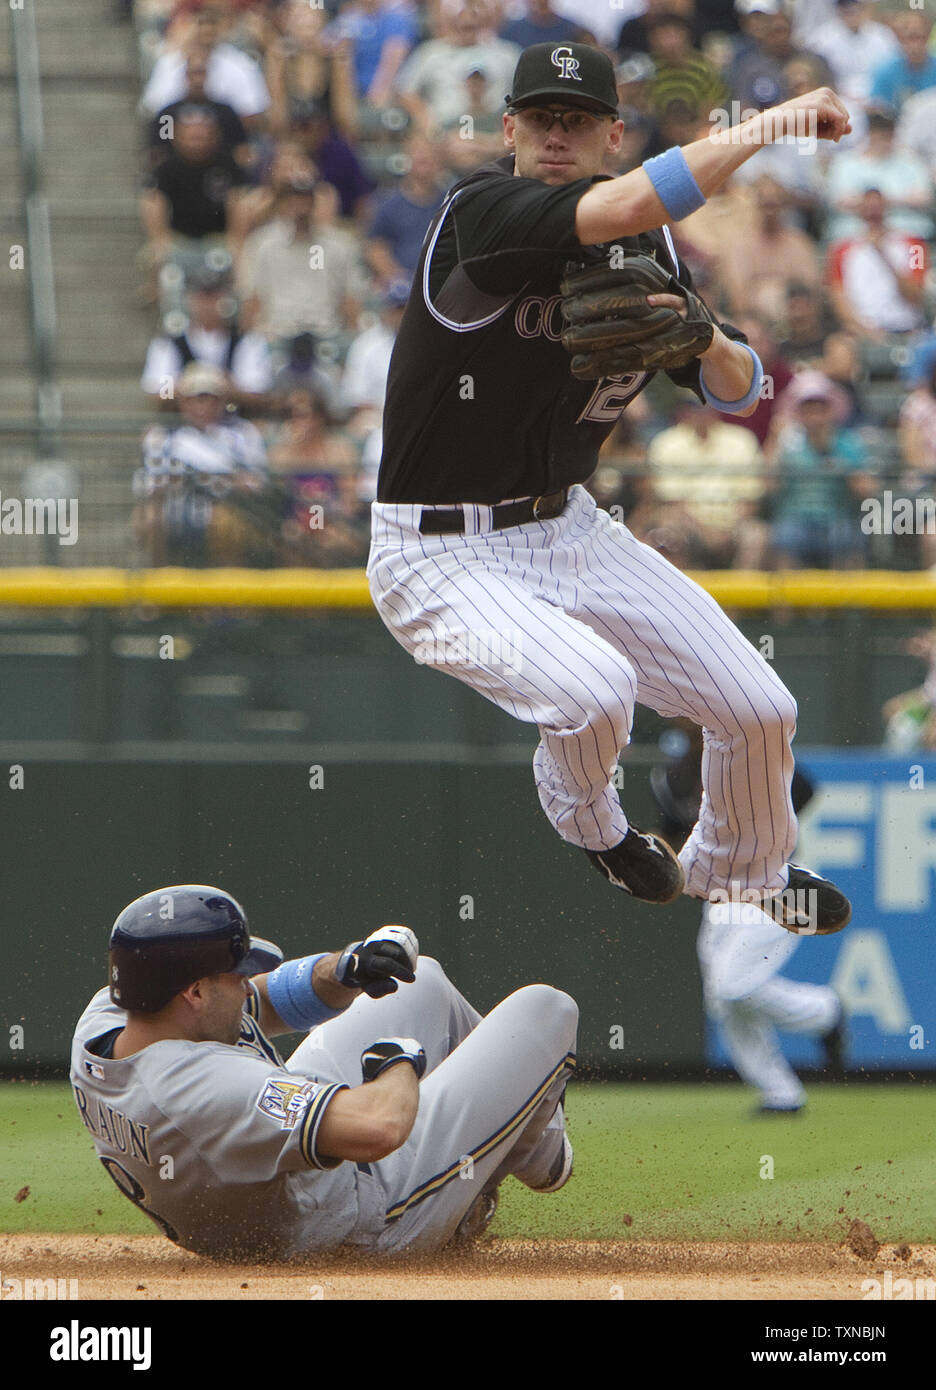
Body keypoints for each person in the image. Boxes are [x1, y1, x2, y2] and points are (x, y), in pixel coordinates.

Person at [367, 41, 854, 935]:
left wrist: (700, 335)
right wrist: (773, 122)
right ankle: (596, 830)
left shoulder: (647, 241)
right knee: (594, 691)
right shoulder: (485, 208)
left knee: (761, 709)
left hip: (571, 529)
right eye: (541, 118)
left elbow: (743, 385)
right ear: (510, 128)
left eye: (579, 119)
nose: (558, 133)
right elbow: (631, 196)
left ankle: (740, 871)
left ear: (611, 132)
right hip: (440, 551)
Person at [70, 885, 576, 1259]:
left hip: (259, 1184)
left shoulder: (114, 1019)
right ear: (195, 993)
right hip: (361, 1221)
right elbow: (380, 1127)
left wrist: (347, 968)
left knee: (424, 982)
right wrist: (397, 1061)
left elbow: (266, 999)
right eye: (237, 974)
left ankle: (533, 1149)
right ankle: (529, 1155)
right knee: (547, 1010)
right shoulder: (203, 1088)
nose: (249, 984)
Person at [650, 742, 846, 1114]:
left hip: (774, 883)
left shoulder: (748, 749)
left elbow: (804, 788)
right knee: (722, 1000)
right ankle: (781, 1094)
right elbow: (669, 830)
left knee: (734, 985)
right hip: (719, 893)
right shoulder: (672, 776)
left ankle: (824, 1012)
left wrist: (760, 827)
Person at [140, 266, 273, 415]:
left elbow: (256, 391)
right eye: (201, 297)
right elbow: (161, 393)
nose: (207, 304)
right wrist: (192, 384)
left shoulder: (247, 342)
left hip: (234, 425)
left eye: (213, 297)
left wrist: (221, 384)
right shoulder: (168, 344)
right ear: (189, 299)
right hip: (183, 428)